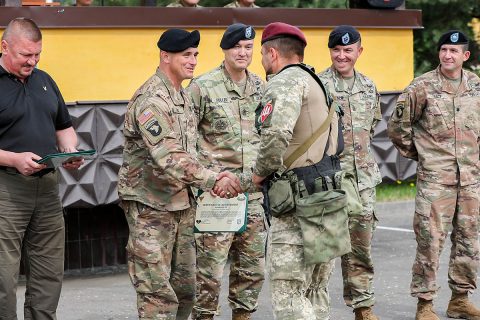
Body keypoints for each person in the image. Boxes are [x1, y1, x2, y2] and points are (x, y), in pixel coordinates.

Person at [117, 28, 241, 319]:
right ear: (165, 56)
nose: (193, 61)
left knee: (186, 289)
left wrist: (216, 174)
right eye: (186, 55)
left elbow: (192, 151)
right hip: (151, 208)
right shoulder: (152, 100)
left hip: (181, 205)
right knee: (157, 295)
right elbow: (169, 156)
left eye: (196, 54)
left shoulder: (181, 96)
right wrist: (213, 179)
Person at [388, 30, 480, 320]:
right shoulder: (422, 86)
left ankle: (460, 300)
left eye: (454, 51)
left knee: (469, 240)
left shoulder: (476, 86)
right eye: (443, 50)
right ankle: (425, 304)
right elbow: (397, 127)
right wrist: (422, 155)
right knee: (430, 241)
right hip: (435, 181)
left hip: (470, 180)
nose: (447, 55)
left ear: (465, 56)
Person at [252, 22, 341, 320]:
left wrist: (257, 174)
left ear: (273, 53)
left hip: (297, 206)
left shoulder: (285, 82)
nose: (261, 60)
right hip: (327, 198)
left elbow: (276, 135)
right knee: (315, 290)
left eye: (262, 54)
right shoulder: (319, 82)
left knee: (289, 296)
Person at [0, 17, 84, 320]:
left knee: (49, 272)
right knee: (3, 276)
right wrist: (13, 159)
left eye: (37, 54)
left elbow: (64, 126)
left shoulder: (45, 79)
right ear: (4, 46)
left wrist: (69, 150)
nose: (32, 61)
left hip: (48, 188)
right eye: (25, 55)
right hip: (6, 189)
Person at [188, 23, 265, 320]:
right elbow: (187, 137)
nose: (243, 53)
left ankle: (242, 316)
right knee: (210, 272)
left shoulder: (261, 87)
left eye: (248, 47)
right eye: (237, 47)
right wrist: (208, 179)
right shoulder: (202, 87)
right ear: (225, 49)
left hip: (252, 194)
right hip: (216, 194)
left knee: (251, 269)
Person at [318, 25, 382, 320]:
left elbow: (371, 127)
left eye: (347, 50)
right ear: (330, 51)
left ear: (359, 51)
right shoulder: (318, 85)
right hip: (328, 179)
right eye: (336, 50)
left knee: (360, 247)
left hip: (363, 180)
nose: (341, 55)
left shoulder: (369, 87)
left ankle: (363, 307)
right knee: (322, 250)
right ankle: (315, 309)